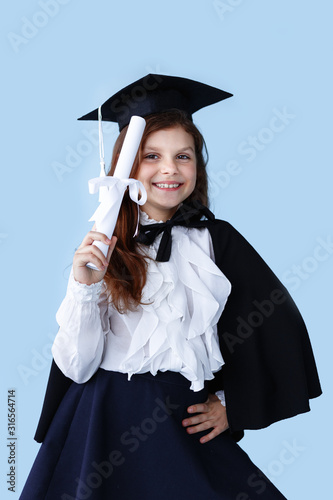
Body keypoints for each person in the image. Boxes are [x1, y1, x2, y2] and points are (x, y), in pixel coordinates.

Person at [19, 75, 321, 500]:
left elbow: (275, 324)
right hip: (104, 417)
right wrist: (84, 288)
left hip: (184, 417)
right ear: (124, 169)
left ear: (197, 165)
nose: (169, 169)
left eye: (184, 155)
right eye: (151, 156)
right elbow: (79, 365)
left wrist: (231, 404)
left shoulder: (218, 241)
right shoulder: (103, 247)